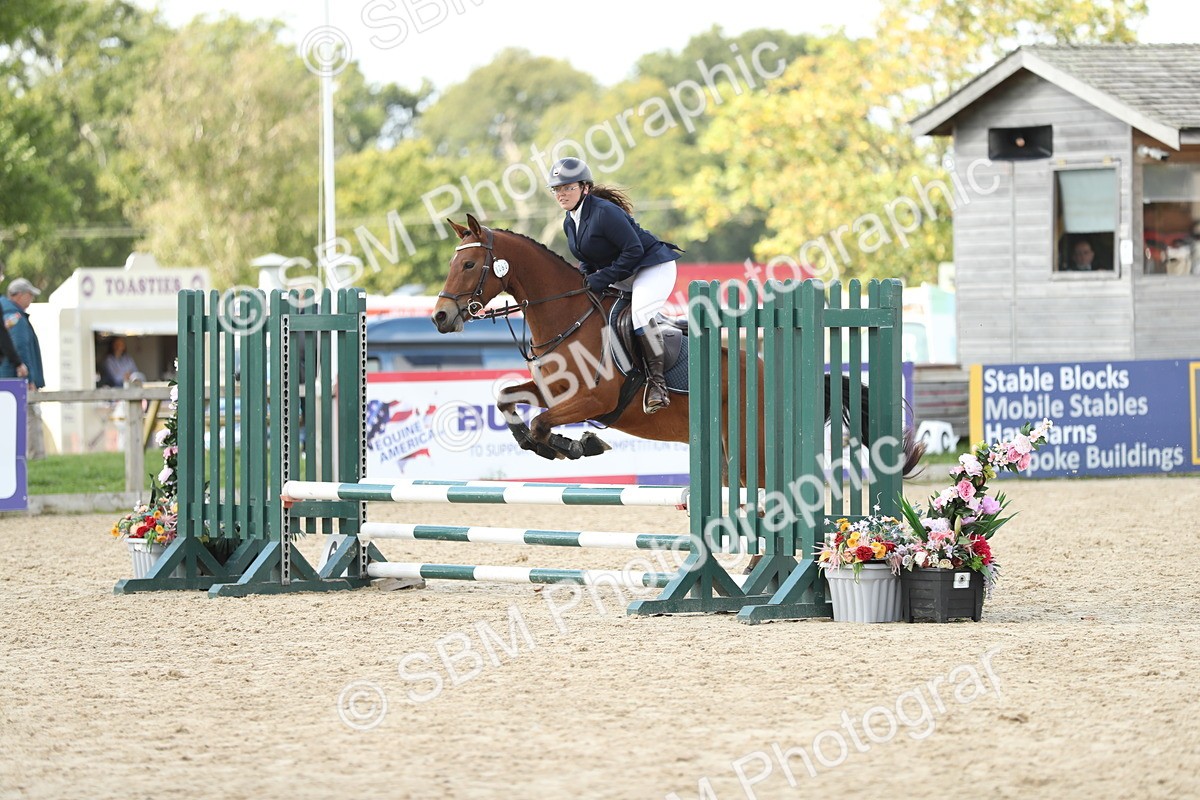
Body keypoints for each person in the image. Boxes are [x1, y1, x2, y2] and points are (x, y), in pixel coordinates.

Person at [547, 156, 683, 413]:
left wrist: (600, 279)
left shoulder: (604, 212)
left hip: (652, 267)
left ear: (584, 188)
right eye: (557, 189)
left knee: (640, 315)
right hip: (623, 273)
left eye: (568, 187)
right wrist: (586, 278)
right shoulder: (570, 221)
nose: (561, 194)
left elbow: (633, 251)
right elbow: (586, 259)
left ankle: (657, 385)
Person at [0, 278, 46, 459]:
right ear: (19, 295)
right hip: (16, 378)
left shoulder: (7, 313)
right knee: (28, 416)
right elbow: (21, 347)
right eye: (30, 295)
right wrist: (28, 379)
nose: (31, 299)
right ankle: (34, 456)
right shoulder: (15, 317)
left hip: (8, 377)